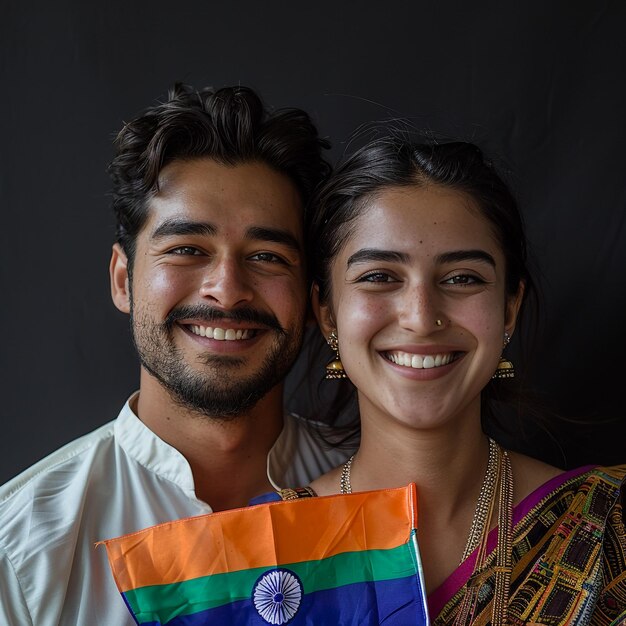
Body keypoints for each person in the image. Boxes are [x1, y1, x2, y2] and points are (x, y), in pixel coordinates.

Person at [0, 84, 353, 625]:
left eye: (267, 256)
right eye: (187, 249)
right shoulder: (20, 550)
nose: (227, 289)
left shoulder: (383, 491)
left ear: (311, 299)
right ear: (124, 280)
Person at [270, 137, 626, 624]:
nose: (421, 317)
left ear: (509, 309)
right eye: (379, 276)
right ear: (327, 313)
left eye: (462, 278)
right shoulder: (264, 559)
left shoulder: (607, 526)